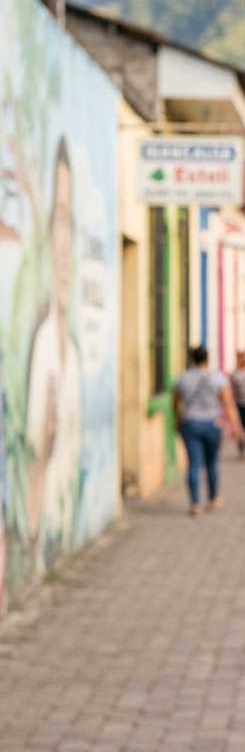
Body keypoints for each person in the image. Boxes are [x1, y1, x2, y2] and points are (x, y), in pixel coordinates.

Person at [25, 138, 82, 569]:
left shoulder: (72, 357)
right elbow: (33, 464)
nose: (66, 244)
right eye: (58, 218)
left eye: (71, 221)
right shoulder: (42, 347)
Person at [174, 346, 241, 516]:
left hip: (191, 424)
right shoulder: (218, 378)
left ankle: (195, 504)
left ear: (192, 359)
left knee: (194, 464)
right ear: (207, 359)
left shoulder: (184, 378)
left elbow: (176, 401)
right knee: (212, 463)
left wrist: (177, 419)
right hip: (212, 424)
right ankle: (213, 499)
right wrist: (237, 427)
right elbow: (229, 404)